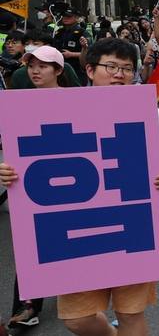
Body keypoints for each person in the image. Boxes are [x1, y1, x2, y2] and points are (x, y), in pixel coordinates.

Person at [0, 38, 159, 335]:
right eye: (111, 66)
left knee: (131, 313)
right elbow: (23, 162)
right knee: (77, 319)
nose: (119, 74)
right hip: (78, 232)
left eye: (127, 68)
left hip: (131, 227)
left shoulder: (149, 112)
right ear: (89, 70)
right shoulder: (57, 109)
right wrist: (9, 172)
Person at [5, 46, 69, 330]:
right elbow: (12, 148)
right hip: (35, 184)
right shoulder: (18, 105)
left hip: (74, 182)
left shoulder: (78, 101)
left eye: (43, 66)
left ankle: (88, 297)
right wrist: (6, 168)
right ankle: (27, 305)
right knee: (31, 241)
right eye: (31, 65)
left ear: (58, 70)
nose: (35, 70)